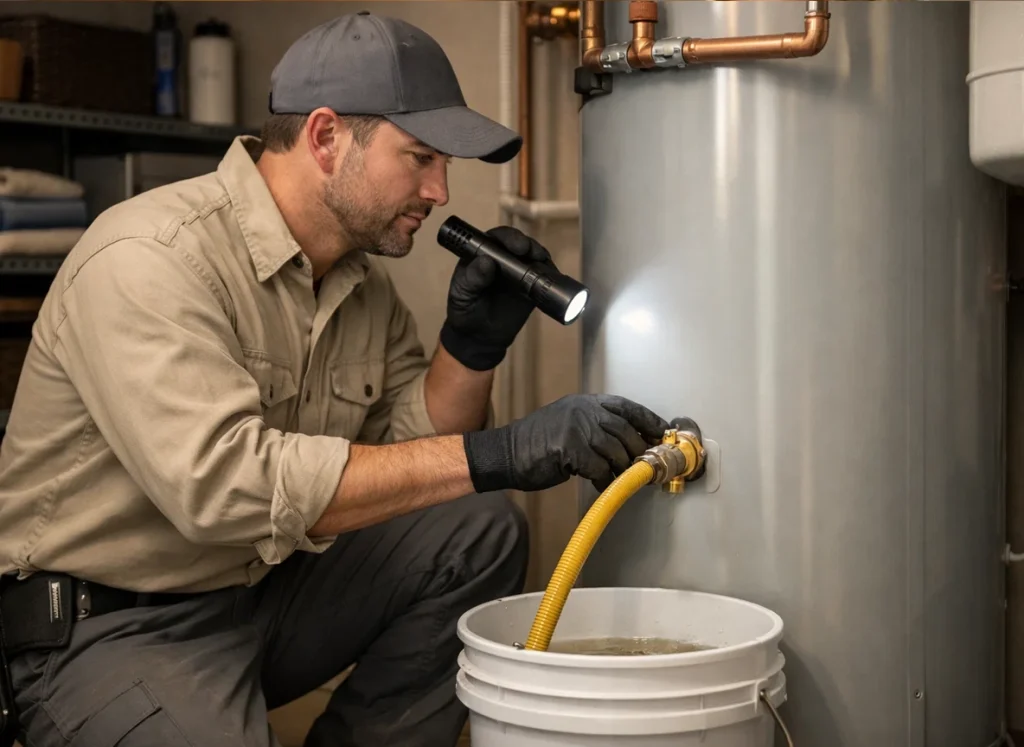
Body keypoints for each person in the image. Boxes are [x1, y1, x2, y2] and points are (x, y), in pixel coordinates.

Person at [0, 12, 670, 747]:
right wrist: (503, 452)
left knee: (478, 529)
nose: (440, 190)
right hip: (110, 627)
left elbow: (410, 464)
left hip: (257, 593)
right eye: (420, 157)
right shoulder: (149, 257)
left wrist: (470, 347)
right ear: (324, 137)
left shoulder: (358, 285)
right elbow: (226, 488)